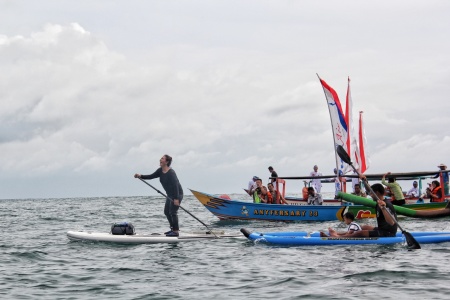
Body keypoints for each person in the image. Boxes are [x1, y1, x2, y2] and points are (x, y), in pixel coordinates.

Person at [325, 179, 398, 238]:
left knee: (361, 232)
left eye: (372, 193)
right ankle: (338, 234)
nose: (371, 195)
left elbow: (391, 222)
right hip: (381, 229)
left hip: (388, 233)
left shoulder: (386, 205)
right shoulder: (378, 202)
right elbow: (369, 189)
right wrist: (364, 180)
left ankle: (337, 237)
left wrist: (383, 209)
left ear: (377, 193)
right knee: (363, 227)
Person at [134, 154, 183, 237]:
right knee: (166, 212)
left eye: (162, 158)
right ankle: (172, 229)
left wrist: (176, 199)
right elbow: (151, 176)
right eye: (160, 158)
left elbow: (175, 186)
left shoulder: (171, 172)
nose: (160, 159)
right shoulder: (160, 171)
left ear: (167, 161)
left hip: (177, 194)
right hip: (169, 195)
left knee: (173, 212)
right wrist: (140, 176)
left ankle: (176, 231)